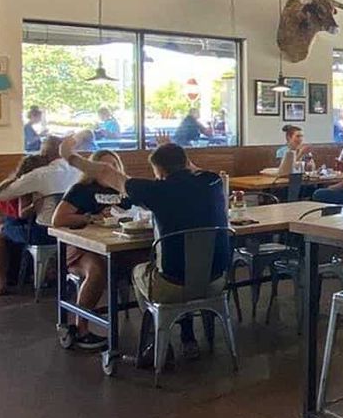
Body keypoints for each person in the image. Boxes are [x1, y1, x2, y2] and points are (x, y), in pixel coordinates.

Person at [61, 137, 230, 363]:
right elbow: (192, 169)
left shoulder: (156, 190)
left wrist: (70, 157)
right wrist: (173, 148)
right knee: (186, 267)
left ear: (158, 171)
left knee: (140, 269)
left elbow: (105, 173)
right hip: (217, 281)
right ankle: (188, 337)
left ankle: (158, 343)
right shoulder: (213, 181)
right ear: (186, 161)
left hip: (173, 286)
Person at [0, 136, 82, 295]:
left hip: (43, 234)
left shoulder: (40, 174)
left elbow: (0, 195)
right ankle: (48, 274)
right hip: (74, 232)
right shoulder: (79, 171)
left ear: (44, 153)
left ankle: (0, 282)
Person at [50, 150, 126, 350]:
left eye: (114, 166)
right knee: (97, 270)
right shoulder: (80, 190)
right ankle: (80, 328)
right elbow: (58, 220)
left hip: (116, 243)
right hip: (81, 247)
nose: (110, 171)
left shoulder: (124, 191)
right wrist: (91, 217)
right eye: (104, 167)